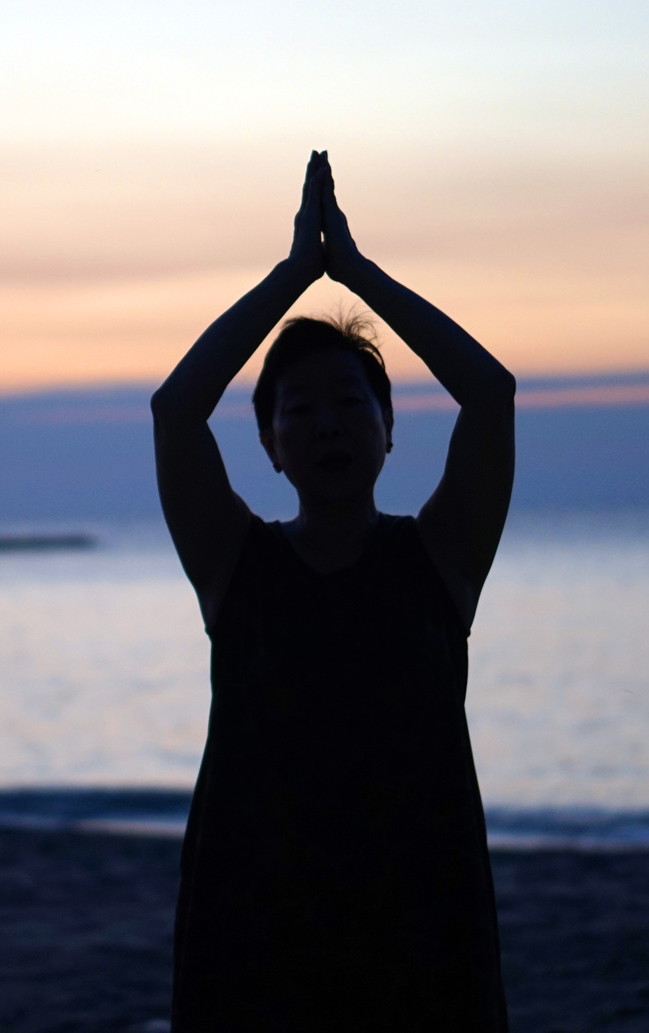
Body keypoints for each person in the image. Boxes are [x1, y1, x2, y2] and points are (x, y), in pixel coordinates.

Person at [151, 151, 516, 1031]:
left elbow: (490, 395)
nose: (326, 425)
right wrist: (291, 276)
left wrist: (354, 274)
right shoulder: (234, 567)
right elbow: (175, 410)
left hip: (418, 927)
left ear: (389, 428)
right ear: (270, 447)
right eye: (298, 410)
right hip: (256, 932)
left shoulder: (439, 561)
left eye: (350, 404)